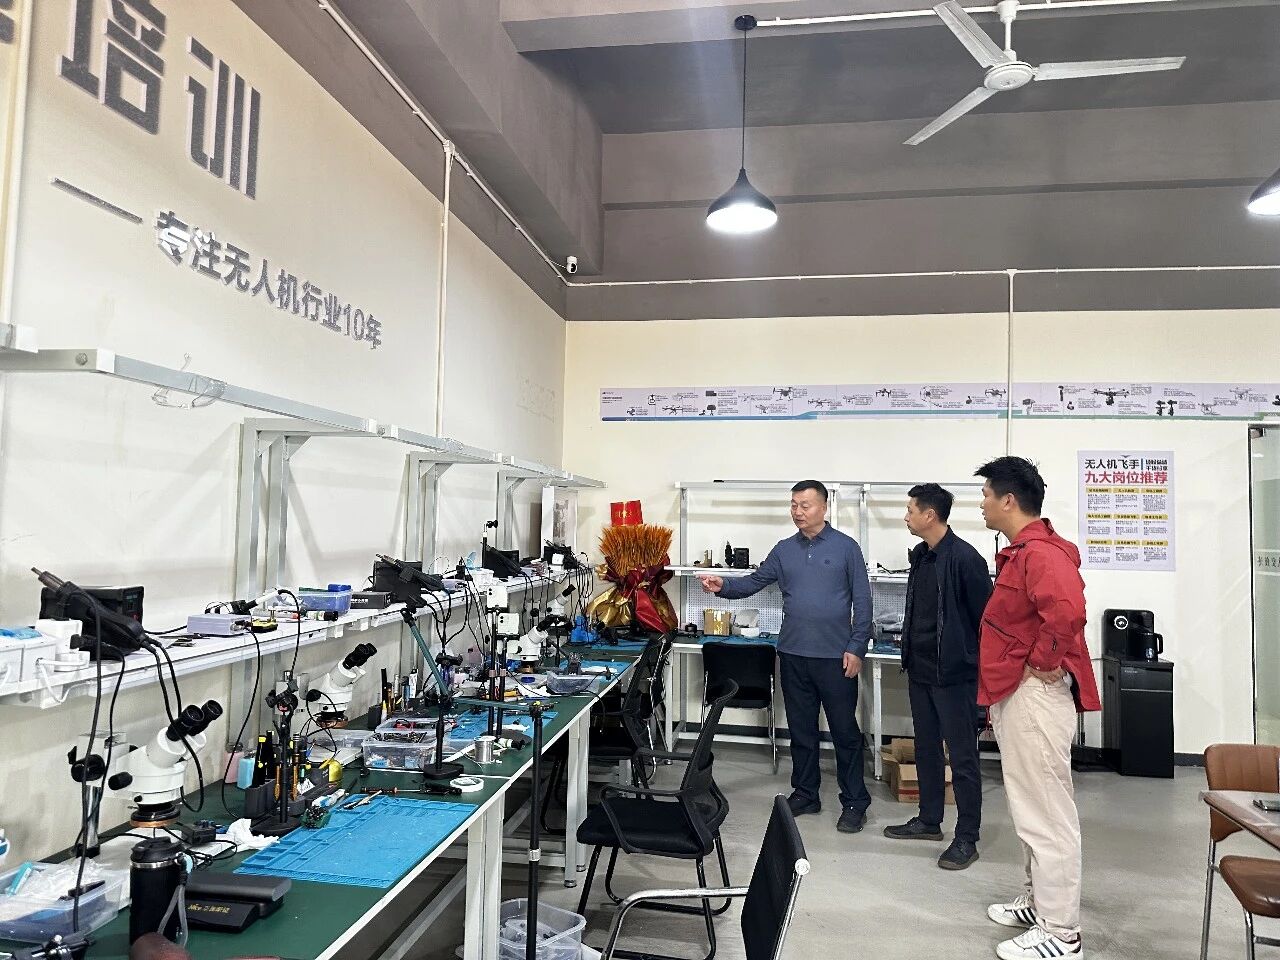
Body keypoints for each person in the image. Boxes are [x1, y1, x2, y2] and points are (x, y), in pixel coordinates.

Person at [974, 457, 1100, 960]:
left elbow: (1067, 613)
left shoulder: (1042, 554)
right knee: (1030, 808)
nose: (982, 504)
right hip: (1017, 693)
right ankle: (1039, 902)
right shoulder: (1022, 552)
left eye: (986, 495)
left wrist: (1043, 661)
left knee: (1047, 814)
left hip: (1035, 696)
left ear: (1008, 500)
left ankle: (1062, 933)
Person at [698, 480, 873, 833]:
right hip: (793, 654)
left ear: (824, 507)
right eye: (793, 505)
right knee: (801, 730)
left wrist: (856, 647)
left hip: (835, 658)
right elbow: (754, 582)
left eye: (805, 505)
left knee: (845, 732)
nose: (798, 511)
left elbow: (863, 601)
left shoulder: (846, 548)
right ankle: (806, 793)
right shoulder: (784, 550)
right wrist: (723, 586)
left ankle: (855, 801)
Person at [883, 483, 992, 871]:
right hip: (922, 671)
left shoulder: (965, 559)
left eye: (910, 510)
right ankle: (929, 820)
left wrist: (975, 668)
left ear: (930, 515)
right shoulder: (921, 556)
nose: (906, 517)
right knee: (926, 749)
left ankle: (967, 838)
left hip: (955, 676)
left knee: (962, 758)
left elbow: (985, 620)